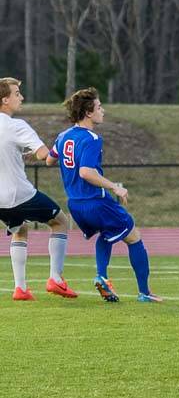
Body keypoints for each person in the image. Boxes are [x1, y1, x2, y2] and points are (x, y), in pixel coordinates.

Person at [50, 88, 161, 303]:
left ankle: (102, 277)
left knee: (107, 233)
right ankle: (144, 293)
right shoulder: (92, 138)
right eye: (99, 107)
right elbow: (86, 172)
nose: (104, 110)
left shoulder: (63, 136)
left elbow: (49, 159)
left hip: (75, 205)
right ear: (89, 113)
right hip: (96, 202)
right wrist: (114, 187)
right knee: (134, 236)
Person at [0, 77, 76, 301]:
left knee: (19, 229)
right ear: (4, 100)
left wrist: (18, 154)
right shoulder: (17, 125)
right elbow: (45, 155)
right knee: (60, 221)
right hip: (19, 193)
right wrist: (61, 147)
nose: (21, 98)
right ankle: (56, 279)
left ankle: (21, 288)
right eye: (16, 94)